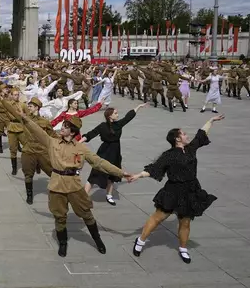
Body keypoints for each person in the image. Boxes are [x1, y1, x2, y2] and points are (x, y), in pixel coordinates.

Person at [18, 112, 131, 257]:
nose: (61, 129)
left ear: (72, 132)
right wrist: (24, 116)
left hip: (74, 185)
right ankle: (63, 243)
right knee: (59, 216)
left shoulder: (81, 148)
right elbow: (35, 129)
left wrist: (121, 173)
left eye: (65, 127)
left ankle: (97, 240)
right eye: (62, 126)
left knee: (86, 214)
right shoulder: (52, 142)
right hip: (56, 184)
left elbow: (99, 162)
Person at [129, 115, 223, 264]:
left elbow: (201, 134)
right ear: (177, 139)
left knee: (185, 221)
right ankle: (140, 241)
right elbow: (155, 169)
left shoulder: (190, 149)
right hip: (173, 190)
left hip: (191, 189)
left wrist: (211, 121)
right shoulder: (169, 155)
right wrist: (138, 175)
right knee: (158, 217)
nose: (187, 135)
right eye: (184, 134)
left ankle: (183, 248)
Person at [82, 103, 147, 205]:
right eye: (115, 113)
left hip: (115, 152)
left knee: (112, 174)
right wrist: (78, 142)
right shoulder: (102, 126)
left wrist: (138, 107)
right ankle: (83, 196)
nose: (117, 115)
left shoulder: (118, 124)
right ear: (110, 116)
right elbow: (90, 134)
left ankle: (109, 195)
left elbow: (128, 117)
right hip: (104, 151)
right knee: (95, 174)